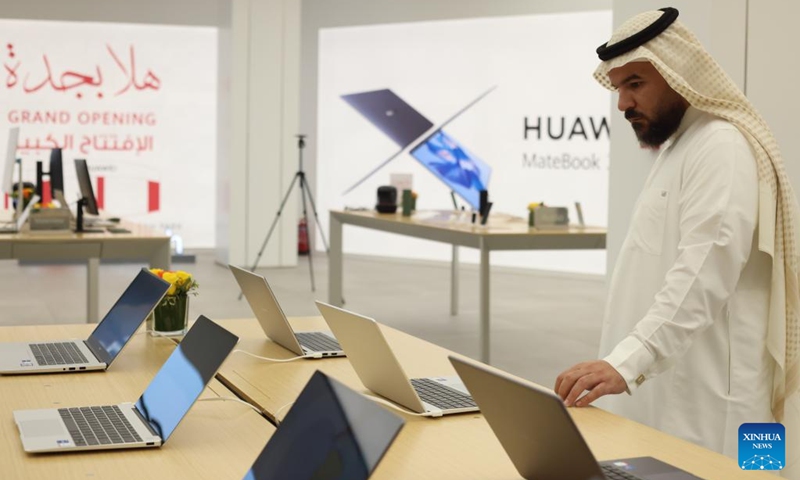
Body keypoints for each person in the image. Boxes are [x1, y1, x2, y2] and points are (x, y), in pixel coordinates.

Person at [553, 6, 800, 468]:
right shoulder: (682, 147)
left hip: (717, 408)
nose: (623, 103)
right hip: (676, 391)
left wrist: (626, 361)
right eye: (619, 87)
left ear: (677, 73)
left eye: (635, 84)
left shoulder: (721, 145)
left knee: (753, 475)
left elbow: (702, 273)